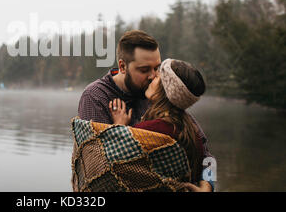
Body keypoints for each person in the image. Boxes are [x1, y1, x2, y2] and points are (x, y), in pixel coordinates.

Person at [78, 30, 214, 191]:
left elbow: (207, 155)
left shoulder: (161, 96)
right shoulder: (96, 97)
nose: (153, 76)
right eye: (144, 70)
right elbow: (96, 167)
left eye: (157, 68)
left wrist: (208, 186)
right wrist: (117, 131)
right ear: (122, 66)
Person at [108, 58, 212, 190]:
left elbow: (114, 165)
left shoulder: (150, 130)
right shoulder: (191, 129)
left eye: (157, 76)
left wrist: (119, 129)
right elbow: (208, 160)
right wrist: (208, 186)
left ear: (165, 89)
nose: (151, 78)